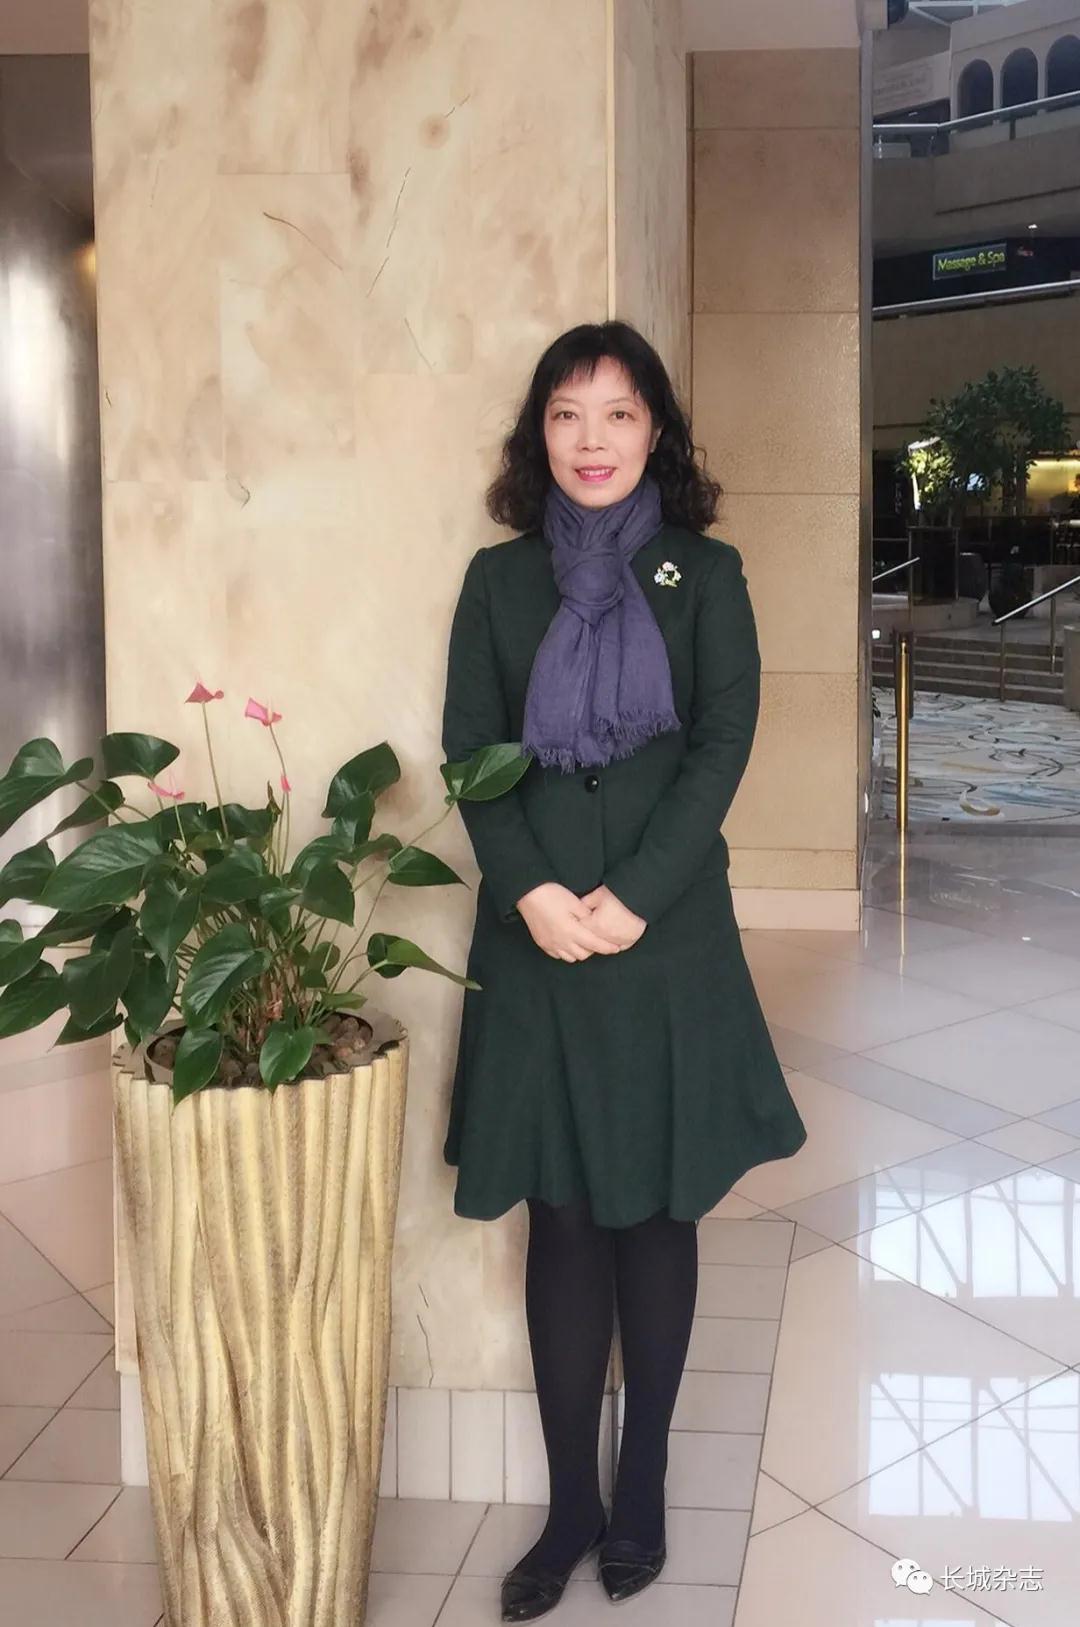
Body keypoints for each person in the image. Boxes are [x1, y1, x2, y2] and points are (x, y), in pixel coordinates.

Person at [440, 320, 807, 1621]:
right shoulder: (499, 582)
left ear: (657, 432)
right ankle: (571, 1508)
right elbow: (471, 750)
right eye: (567, 414)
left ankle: (641, 1484)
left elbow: (723, 741)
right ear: (537, 435)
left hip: (666, 944)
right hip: (536, 945)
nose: (591, 440)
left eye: (619, 413)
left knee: (655, 1216)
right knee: (562, 1222)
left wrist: (636, 894)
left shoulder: (705, 573)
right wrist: (533, 891)